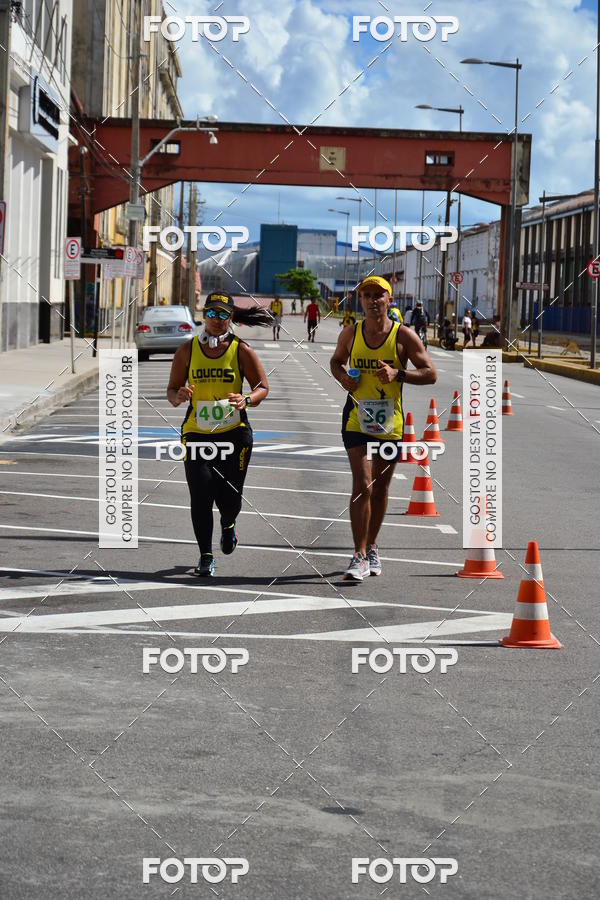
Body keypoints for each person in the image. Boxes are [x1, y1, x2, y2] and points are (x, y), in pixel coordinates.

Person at [330, 276, 437, 581]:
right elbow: (336, 361)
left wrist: (398, 373)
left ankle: (372, 545)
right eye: (367, 295)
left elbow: (430, 374)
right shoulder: (350, 334)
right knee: (362, 484)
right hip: (356, 419)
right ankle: (359, 554)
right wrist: (342, 377)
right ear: (360, 300)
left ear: (390, 300)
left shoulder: (404, 336)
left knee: (380, 489)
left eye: (379, 295)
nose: (373, 300)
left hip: (389, 423)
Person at [167, 292, 271, 576]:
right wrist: (179, 395)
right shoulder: (187, 350)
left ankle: (228, 524)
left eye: (222, 314)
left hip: (233, 433)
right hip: (197, 433)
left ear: (231, 318)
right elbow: (171, 391)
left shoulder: (241, 350)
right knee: (200, 495)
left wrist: (247, 399)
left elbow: (263, 387)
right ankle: (205, 554)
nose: (215, 319)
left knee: (230, 498)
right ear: (203, 315)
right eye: (211, 313)